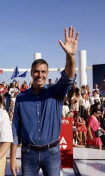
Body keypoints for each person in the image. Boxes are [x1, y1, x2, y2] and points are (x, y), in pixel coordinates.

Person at [10, 26, 79, 176]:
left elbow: (68, 78)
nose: (39, 75)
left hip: (52, 153)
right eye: (36, 71)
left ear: (47, 74)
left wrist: (71, 56)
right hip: (28, 154)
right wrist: (12, 157)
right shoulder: (21, 98)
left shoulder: (56, 92)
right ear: (31, 73)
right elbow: (15, 128)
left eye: (43, 72)